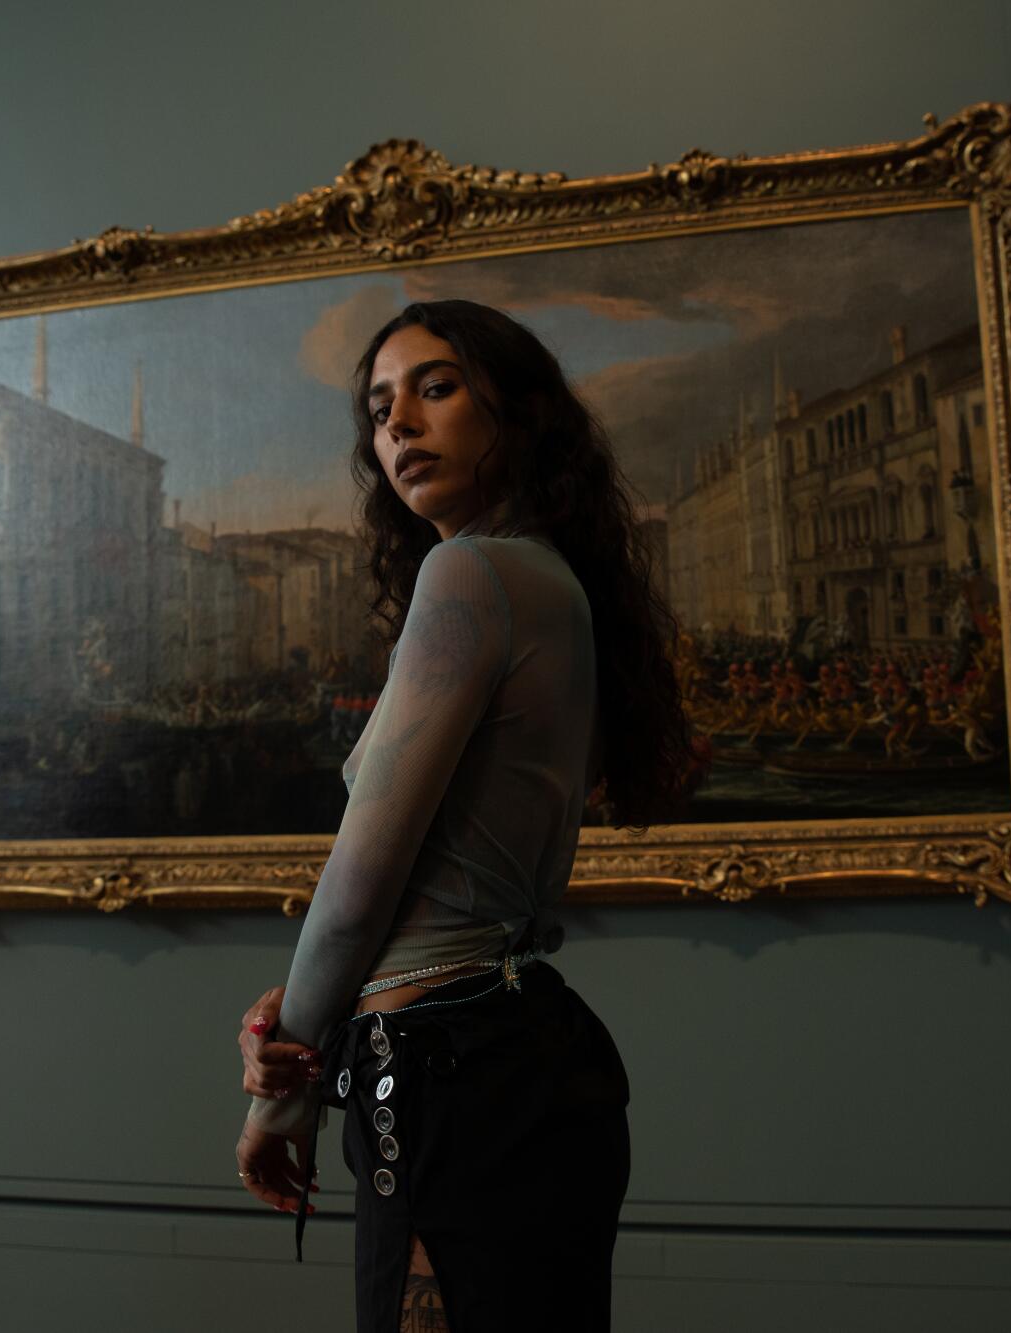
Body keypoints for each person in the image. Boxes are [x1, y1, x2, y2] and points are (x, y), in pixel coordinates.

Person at [231, 299, 695, 1332]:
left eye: (434, 387)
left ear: (518, 414)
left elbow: (358, 890)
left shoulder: (472, 571)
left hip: (449, 1078)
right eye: (378, 407)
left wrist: (282, 1086)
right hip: (525, 1060)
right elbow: (439, 893)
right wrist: (304, 1012)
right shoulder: (549, 583)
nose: (397, 424)